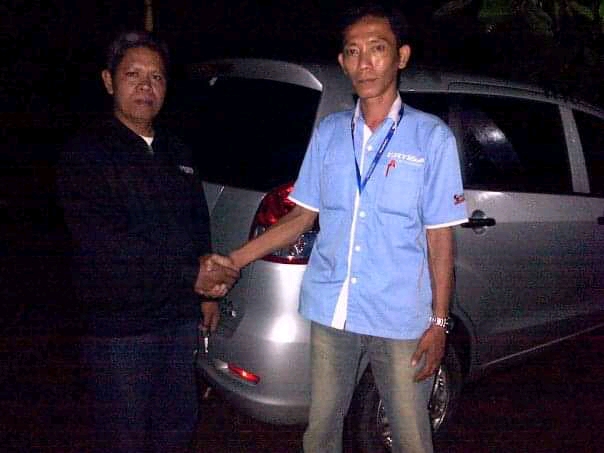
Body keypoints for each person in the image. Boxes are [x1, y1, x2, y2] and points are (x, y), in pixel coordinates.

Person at [228, 4, 468, 453]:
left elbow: (440, 240)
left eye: (377, 49)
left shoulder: (431, 138)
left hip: (400, 318)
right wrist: (233, 261)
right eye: (353, 51)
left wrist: (439, 323)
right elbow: (301, 217)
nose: (364, 62)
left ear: (401, 56)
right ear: (342, 62)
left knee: (411, 436)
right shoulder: (329, 133)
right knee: (320, 431)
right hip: (332, 310)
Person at [57, 31, 238, 453]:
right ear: (109, 81)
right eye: (133, 75)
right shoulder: (87, 154)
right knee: (124, 435)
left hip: (177, 320)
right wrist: (191, 275)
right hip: (120, 330)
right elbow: (104, 245)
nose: (146, 86)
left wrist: (205, 296)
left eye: (156, 77)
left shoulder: (178, 151)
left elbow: (197, 223)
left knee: (176, 425)